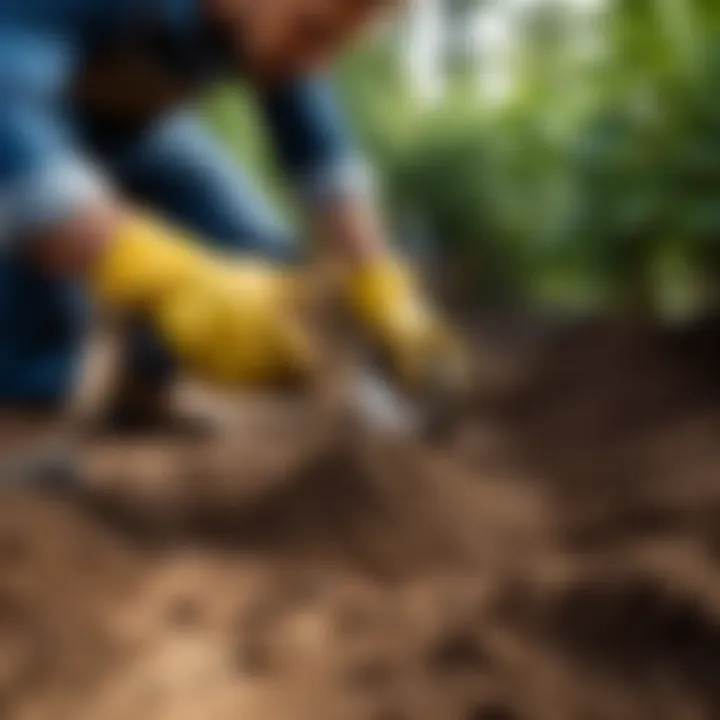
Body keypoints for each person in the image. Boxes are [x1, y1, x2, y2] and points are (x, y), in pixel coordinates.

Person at [0, 0, 457, 446]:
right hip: (25, 122)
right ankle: (22, 410)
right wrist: (166, 277)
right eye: (312, 30)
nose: (317, 59)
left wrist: (380, 287)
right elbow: (14, 130)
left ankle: (140, 396)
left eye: (336, 44)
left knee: (262, 265)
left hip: (128, 134)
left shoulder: (275, 30)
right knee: (40, 226)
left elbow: (325, 164)